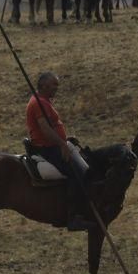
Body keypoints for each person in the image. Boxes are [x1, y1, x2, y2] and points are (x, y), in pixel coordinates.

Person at [26, 72, 93, 231]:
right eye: (53, 84)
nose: (57, 88)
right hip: (48, 149)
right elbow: (45, 130)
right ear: (43, 85)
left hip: (53, 145)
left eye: (57, 84)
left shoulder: (44, 101)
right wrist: (62, 145)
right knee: (79, 173)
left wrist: (66, 139)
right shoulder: (38, 103)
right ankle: (73, 217)